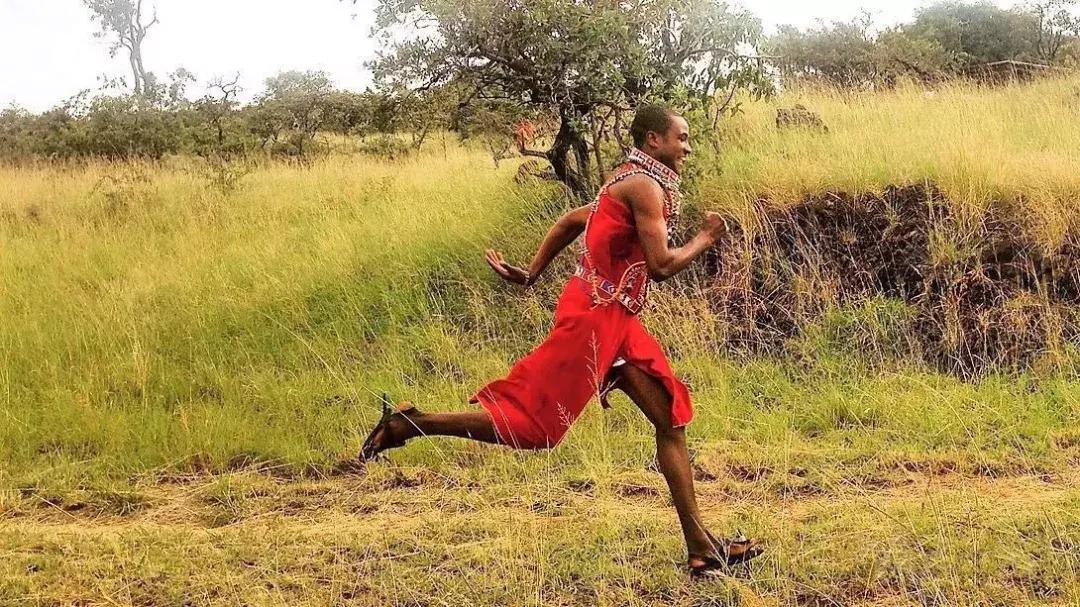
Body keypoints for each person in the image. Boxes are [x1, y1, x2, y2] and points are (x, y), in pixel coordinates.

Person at [360, 105, 762, 578]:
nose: (688, 147)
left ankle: (701, 549)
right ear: (654, 140)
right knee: (537, 431)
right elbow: (662, 265)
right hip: (595, 321)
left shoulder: (628, 180)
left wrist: (532, 273)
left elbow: (574, 220)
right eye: (682, 138)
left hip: (616, 321)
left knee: (670, 419)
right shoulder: (643, 186)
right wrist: (706, 237)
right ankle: (413, 424)